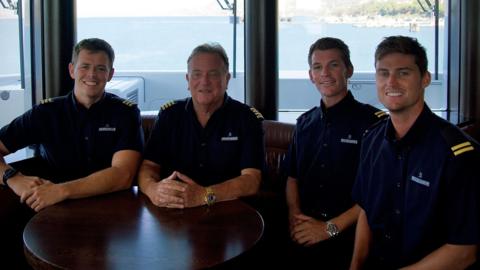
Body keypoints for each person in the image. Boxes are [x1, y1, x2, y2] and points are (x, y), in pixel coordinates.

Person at [0, 38, 144, 266]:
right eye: (85, 66)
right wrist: (12, 177)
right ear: (72, 70)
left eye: (100, 68)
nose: (92, 75)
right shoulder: (46, 113)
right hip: (52, 213)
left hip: (110, 213)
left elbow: (122, 174)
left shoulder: (124, 113)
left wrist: (61, 191)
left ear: (110, 74)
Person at [350, 36, 479, 269]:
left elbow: (464, 251)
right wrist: (356, 265)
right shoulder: (371, 140)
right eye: (383, 73)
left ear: (425, 79)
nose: (391, 82)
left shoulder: (458, 154)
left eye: (403, 73)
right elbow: (367, 212)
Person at [284, 37, 386, 268]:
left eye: (334, 65)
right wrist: (294, 215)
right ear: (311, 75)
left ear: (349, 70)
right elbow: (292, 177)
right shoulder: (304, 123)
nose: (325, 74)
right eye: (317, 67)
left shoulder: (373, 125)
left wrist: (328, 229)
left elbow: (375, 194)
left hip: (349, 237)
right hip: (304, 232)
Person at [138, 43, 264, 209]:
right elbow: (149, 166)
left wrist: (204, 195)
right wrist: (152, 190)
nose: (204, 82)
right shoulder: (170, 115)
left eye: (213, 74)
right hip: (173, 213)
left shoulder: (247, 118)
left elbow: (251, 180)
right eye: (197, 74)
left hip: (229, 212)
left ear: (226, 79)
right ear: (188, 80)